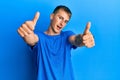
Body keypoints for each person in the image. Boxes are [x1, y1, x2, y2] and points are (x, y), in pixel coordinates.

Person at [17, 5, 95, 80]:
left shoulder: (67, 35)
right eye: (60, 18)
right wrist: (27, 33)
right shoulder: (40, 38)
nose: (62, 23)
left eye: (65, 21)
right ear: (52, 16)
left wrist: (83, 39)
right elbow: (31, 39)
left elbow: (75, 40)